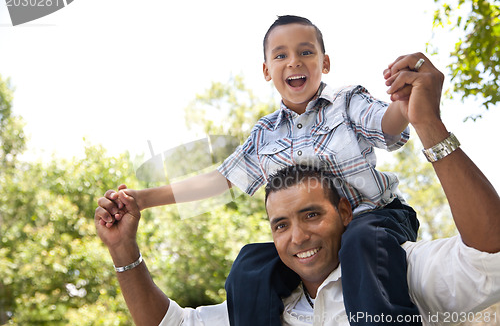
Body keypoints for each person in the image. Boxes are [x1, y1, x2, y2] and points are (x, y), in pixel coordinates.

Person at [95, 52, 500, 325]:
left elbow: (390, 122)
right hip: (341, 241)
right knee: (248, 265)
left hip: (376, 226)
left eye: (311, 214)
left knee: (360, 241)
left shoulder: (346, 103)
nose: (298, 234)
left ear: (324, 62)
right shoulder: (266, 135)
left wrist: (419, 112)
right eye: (281, 224)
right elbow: (220, 180)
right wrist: (139, 207)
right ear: (268, 71)